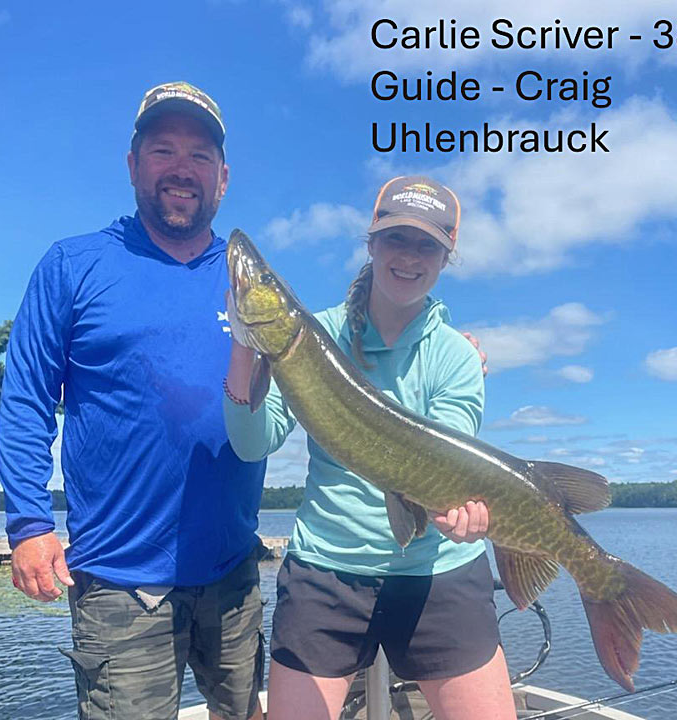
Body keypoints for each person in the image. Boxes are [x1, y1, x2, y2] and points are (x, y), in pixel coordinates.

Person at [0, 82, 266, 720]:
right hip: (120, 581)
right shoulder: (74, 266)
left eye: (200, 156)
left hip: (233, 572)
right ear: (132, 164)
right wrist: (30, 525)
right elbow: (26, 400)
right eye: (163, 150)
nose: (182, 169)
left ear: (223, 177)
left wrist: (445, 336)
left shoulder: (248, 279)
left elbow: (324, 353)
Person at [223, 176, 516, 720]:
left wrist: (458, 512)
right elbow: (250, 443)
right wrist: (245, 344)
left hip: (437, 571)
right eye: (395, 238)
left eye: (426, 245)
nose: (408, 257)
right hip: (326, 573)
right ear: (371, 242)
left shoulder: (455, 355)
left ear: (446, 257)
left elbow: (443, 461)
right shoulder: (313, 335)